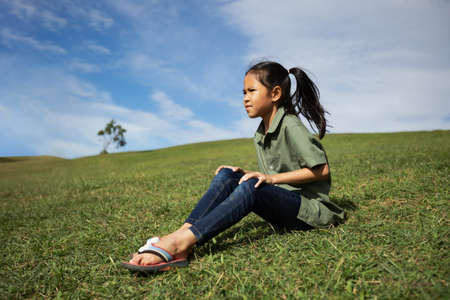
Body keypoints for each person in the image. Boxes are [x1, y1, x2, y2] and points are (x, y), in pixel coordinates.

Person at [121, 61, 345, 272]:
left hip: (310, 212)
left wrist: (270, 179)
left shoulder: (291, 125)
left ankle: (181, 244)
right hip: (283, 203)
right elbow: (272, 175)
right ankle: (180, 233)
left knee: (252, 188)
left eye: (252, 91)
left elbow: (322, 170)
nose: (245, 99)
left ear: (275, 93)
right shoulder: (261, 132)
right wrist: (247, 174)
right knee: (228, 174)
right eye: (244, 93)